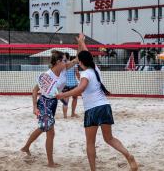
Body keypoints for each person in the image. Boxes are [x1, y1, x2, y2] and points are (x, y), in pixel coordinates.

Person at [57, 33, 138, 171]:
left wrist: (62, 95)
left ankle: (93, 169)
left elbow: (79, 89)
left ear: (81, 63)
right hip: (105, 106)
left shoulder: (85, 74)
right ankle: (128, 155)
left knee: (90, 143)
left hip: (92, 110)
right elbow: (85, 54)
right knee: (109, 138)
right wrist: (81, 42)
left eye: (78, 61)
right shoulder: (95, 69)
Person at [21, 49, 78, 167]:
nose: (67, 62)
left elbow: (77, 59)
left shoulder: (63, 70)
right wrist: (34, 107)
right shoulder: (47, 75)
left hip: (53, 103)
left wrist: (81, 43)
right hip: (44, 104)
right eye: (64, 60)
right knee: (50, 133)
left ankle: (26, 147)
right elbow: (35, 90)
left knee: (43, 128)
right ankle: (50, 163)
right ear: (58, 62)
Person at [60, 52, 79, 119]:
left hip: (65, 85)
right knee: (75, 98)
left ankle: (65, 116)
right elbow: (77, 73)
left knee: (65, 102)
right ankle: (72, 113)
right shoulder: (74, 64)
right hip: (73, 84)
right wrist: (80, 79)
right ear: (69, 57)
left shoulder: (62, 65)